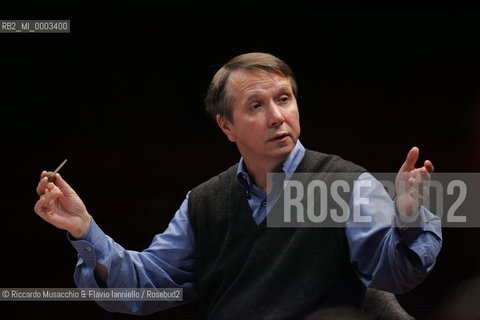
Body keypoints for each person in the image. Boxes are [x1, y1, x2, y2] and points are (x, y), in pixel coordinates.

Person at [34, 52, 442, 319]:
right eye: (256, 106)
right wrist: (85, 230)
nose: (278, 116)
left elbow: (394, 275)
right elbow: (145, 287)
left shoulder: (341, 182)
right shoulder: (207, 202)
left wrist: (408, 217)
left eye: (284, 99)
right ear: (226, 126)